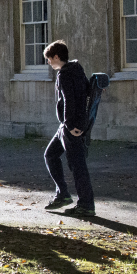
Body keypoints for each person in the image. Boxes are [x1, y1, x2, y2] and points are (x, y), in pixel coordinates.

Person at [40, 40, 95, 217]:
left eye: (49, 59)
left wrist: (72, 125)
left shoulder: (64, 74)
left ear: (56, 56)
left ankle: (86, 204)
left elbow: (69, 101)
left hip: (70, 127)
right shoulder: (77, 69)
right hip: (73, 125)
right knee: (50, 154)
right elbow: (87, 93)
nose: (48, 62)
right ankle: (62, 194)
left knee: (77, 165)